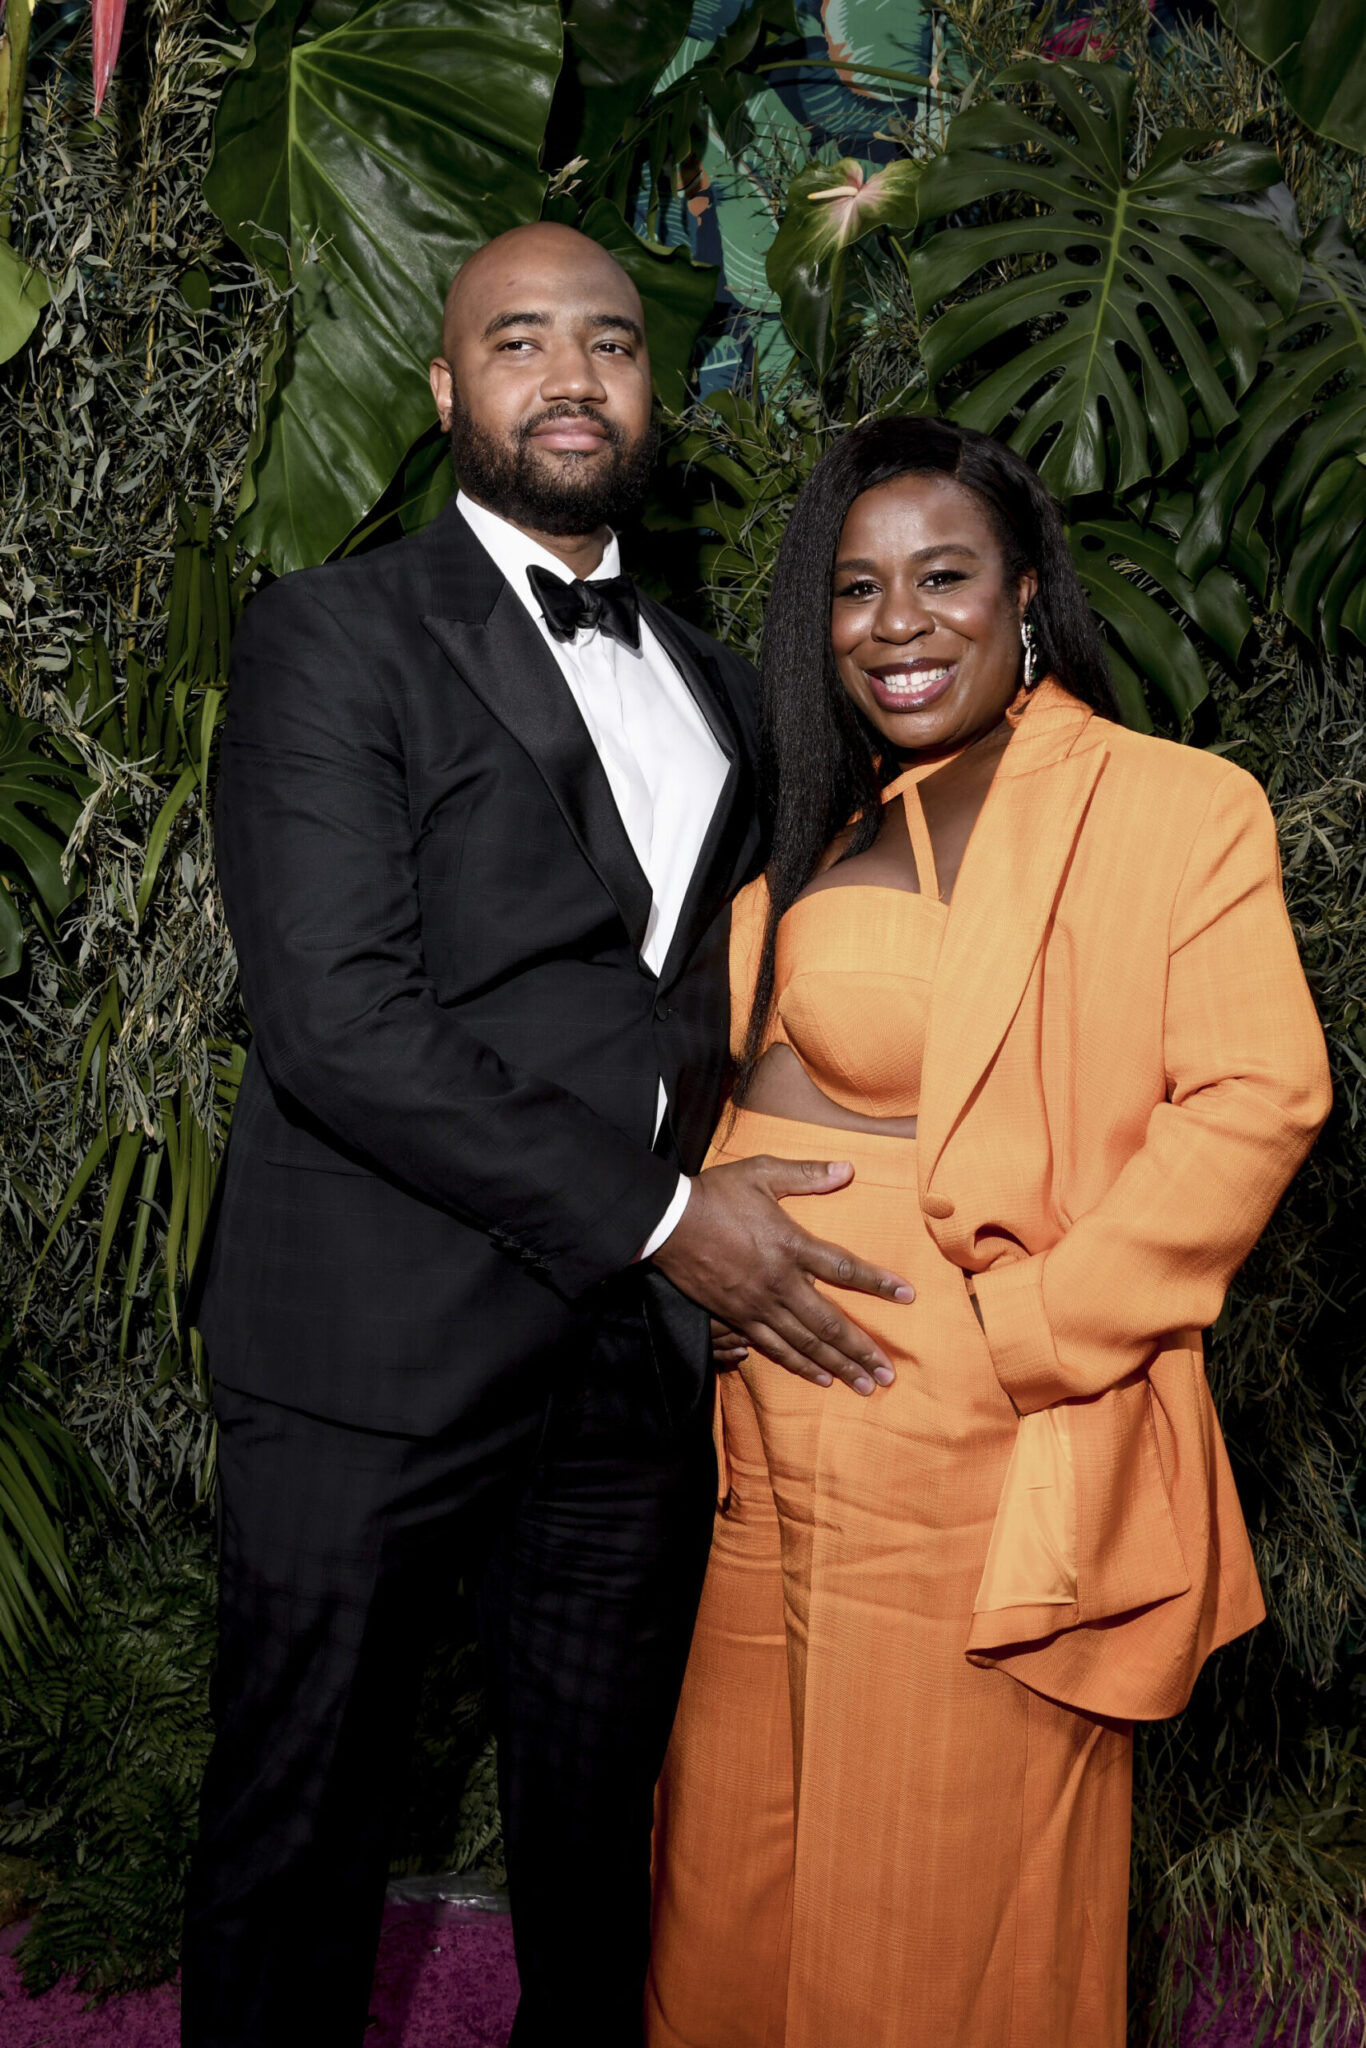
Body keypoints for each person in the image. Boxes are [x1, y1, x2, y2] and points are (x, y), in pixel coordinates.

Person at [179, 224, 916, 2048]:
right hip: (371, 1341)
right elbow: (342, 1027)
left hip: (620, 1371)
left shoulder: (725, 685)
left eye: (611, 341)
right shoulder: (329, 633)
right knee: (304, 1828)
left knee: (599, 1848)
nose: (571, 374)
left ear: (653, 392)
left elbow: (730, 995)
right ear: (446, 395)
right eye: (519, 340)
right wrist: (674, 1219)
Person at [645, 417, 1332, 2048]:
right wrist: (694, 1255)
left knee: (928, 1911)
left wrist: (1026, 1335)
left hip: (964, 1438)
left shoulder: (1166, 807)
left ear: (1024, 594)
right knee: (730, 1885)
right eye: (857, 587)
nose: (898, 622)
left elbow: (1256, 1096)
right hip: (761, 1436)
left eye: (943, 577)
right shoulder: (828, 817)